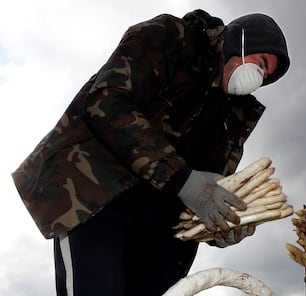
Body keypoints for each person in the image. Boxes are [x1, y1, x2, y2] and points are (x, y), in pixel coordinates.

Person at [11, 9, 290, 296]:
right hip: (98, 197)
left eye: (266, 76)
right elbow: (106, 101)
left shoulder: (233, 118)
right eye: (261, 63)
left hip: (163, 234)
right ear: (240, 42)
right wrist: (183, 180)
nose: (259, 77)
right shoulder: (172, 38)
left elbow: (207, 191)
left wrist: (223, 229)